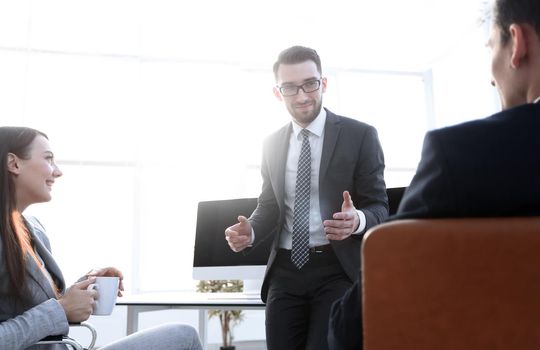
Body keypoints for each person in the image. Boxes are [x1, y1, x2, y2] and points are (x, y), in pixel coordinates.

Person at [328, 0, 540, 348]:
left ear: (517, 43)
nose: (490, 77)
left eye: (491, 47)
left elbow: (350, 328)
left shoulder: (463, 154)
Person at [224, 46, 388, 350]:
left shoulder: (360, 135)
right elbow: (270, 206)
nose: (301, 96)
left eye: (310, 84)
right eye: (290, 87)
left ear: (323, 84)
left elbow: (380, 206)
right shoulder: (271, 144)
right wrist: (253, 230)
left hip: (336, 269)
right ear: (278, 92)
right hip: (285, 271)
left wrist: (357, 221)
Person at [0, 126, 203, 350]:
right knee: (184, 336)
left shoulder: (33, 229)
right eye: (48, 159)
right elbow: (50, 313)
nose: (57, 172)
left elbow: (44, 306)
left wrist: (87, 289)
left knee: (182, 335)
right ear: (14, 163)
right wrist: (61, 309)